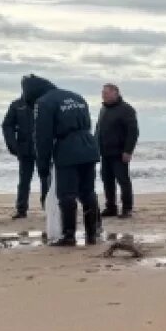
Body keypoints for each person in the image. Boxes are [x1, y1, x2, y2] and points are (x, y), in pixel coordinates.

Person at [23, 74, 102, 247]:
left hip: (68, 149)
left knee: (66, 194)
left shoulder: (43, 103)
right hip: (88, 146)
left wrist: (42, 165)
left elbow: (42, 137)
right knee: (87, 192)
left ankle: (69, 235)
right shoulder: (76, 96)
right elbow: (87, 122)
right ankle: (92, 233)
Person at [95, 83, 139, 219]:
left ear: (116, 93)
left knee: (123, 180)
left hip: (119, 153)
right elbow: (98, 130)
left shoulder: (126, 109)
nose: (104, 95)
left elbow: (133, 132)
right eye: (103, 93)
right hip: (105, 152)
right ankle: (111, 207)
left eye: (106, 93)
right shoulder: (103, 109)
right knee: (107, 180)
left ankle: (127, 208)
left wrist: (128, 151)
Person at [1, 91, 43, 218]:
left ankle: (48, 207)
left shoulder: (43, 103)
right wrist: (13, 145)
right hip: (24, 148)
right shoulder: (17, 105)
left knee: (46, 179)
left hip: (43, 148)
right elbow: (7, 125)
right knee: (24, 180)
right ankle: (21, 209)